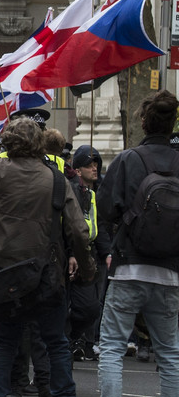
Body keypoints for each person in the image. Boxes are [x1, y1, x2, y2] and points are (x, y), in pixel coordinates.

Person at [0, 110, 96, 397]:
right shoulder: (56, 179)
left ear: (8, 142)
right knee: (55, 341)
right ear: (39, 144)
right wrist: (87, 268)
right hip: (47, 274)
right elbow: (78, 230)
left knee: (6, 339)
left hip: (4, 275)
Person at [85, 90, 179, 397]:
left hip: (129, 268)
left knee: (110, 347)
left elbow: (107, 208)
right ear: (173, 123)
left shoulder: (128, 159)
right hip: (170, 272)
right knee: (170, 352)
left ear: (143, 121)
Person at [68, 145, 107, 362]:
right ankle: (68, 341)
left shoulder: (94, 193)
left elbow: (99, 226)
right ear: (78, 169)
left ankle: (78, 338)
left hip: (89, 254)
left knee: (91, 307)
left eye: (96, 165)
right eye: (89, 165)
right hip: (70, 254)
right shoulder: (70, 189)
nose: (94, 169)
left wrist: (107, 252)